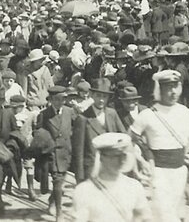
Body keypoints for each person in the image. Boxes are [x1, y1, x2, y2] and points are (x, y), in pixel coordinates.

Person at [130, 70, 189, 222]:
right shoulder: (147, 115)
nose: (173, 92)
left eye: (176, 86)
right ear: (159, 90)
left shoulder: (188, 114)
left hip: (180, 172)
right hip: (158, 173)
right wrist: (141, 162)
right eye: (168, 87)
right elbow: (129, 141)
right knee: (164, 215)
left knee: (176, 213)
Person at [72, 132, 152, 222]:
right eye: (116, 156)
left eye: (124, 155)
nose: (121, 160)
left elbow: (144, 217)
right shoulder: (84, 190)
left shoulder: (134, 186)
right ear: (101, 157)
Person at [36, 85, 77, 221]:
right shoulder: (44, 115)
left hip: (66, 152)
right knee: (57, 181)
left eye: (62, 99)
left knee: (61, 180)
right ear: (51, 100)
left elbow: (77, 128)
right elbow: (37, 133)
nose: (60, 102)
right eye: (57, 99)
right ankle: (59, 212)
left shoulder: (70, 111)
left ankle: (52, 200)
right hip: (52, 154)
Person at [72, 78, 126, 182]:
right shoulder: (83, 118)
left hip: (111, 167)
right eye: (98, 96)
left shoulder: (112, 113)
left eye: (104, 97)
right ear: (92, 95)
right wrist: (79, 177)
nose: (101, 100)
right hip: (92, 168)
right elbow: (78, 151)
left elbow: (123, 136)